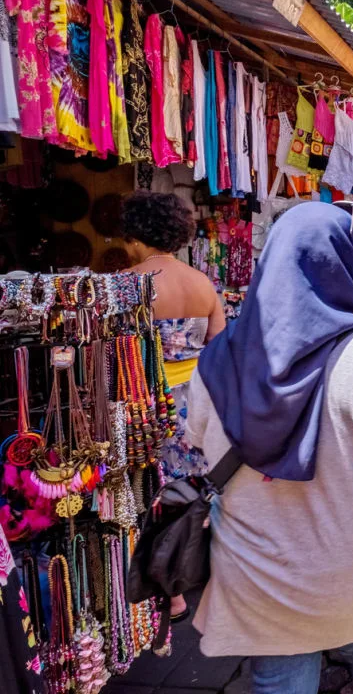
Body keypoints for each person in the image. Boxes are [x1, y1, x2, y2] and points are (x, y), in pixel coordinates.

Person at [187, 203, 353, 694]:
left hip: (258, 572)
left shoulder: (216, 360)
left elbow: (202, 445)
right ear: (347, 262)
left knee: (279, 679)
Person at [121, 190, 225, 623]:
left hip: (148, 404)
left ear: (136, 234)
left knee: (148, 493)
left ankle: (167, 590)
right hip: (196, 400)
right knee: (195, 488)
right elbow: (220, 350)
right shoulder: (202, 283)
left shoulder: (128, 284)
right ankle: (200, 569)